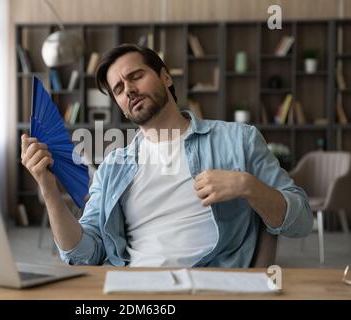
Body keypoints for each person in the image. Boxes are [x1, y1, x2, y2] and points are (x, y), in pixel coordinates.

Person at [21, 44, 313, 268]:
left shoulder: (239, 140)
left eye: (136, 76)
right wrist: (48, 188)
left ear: (165, 77)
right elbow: (84, 254)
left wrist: (248, 186)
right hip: (133, 288)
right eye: (119, 89)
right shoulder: (114, 165)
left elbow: (300, 221)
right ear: (121, 106)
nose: (130, 90)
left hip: (209, 284)